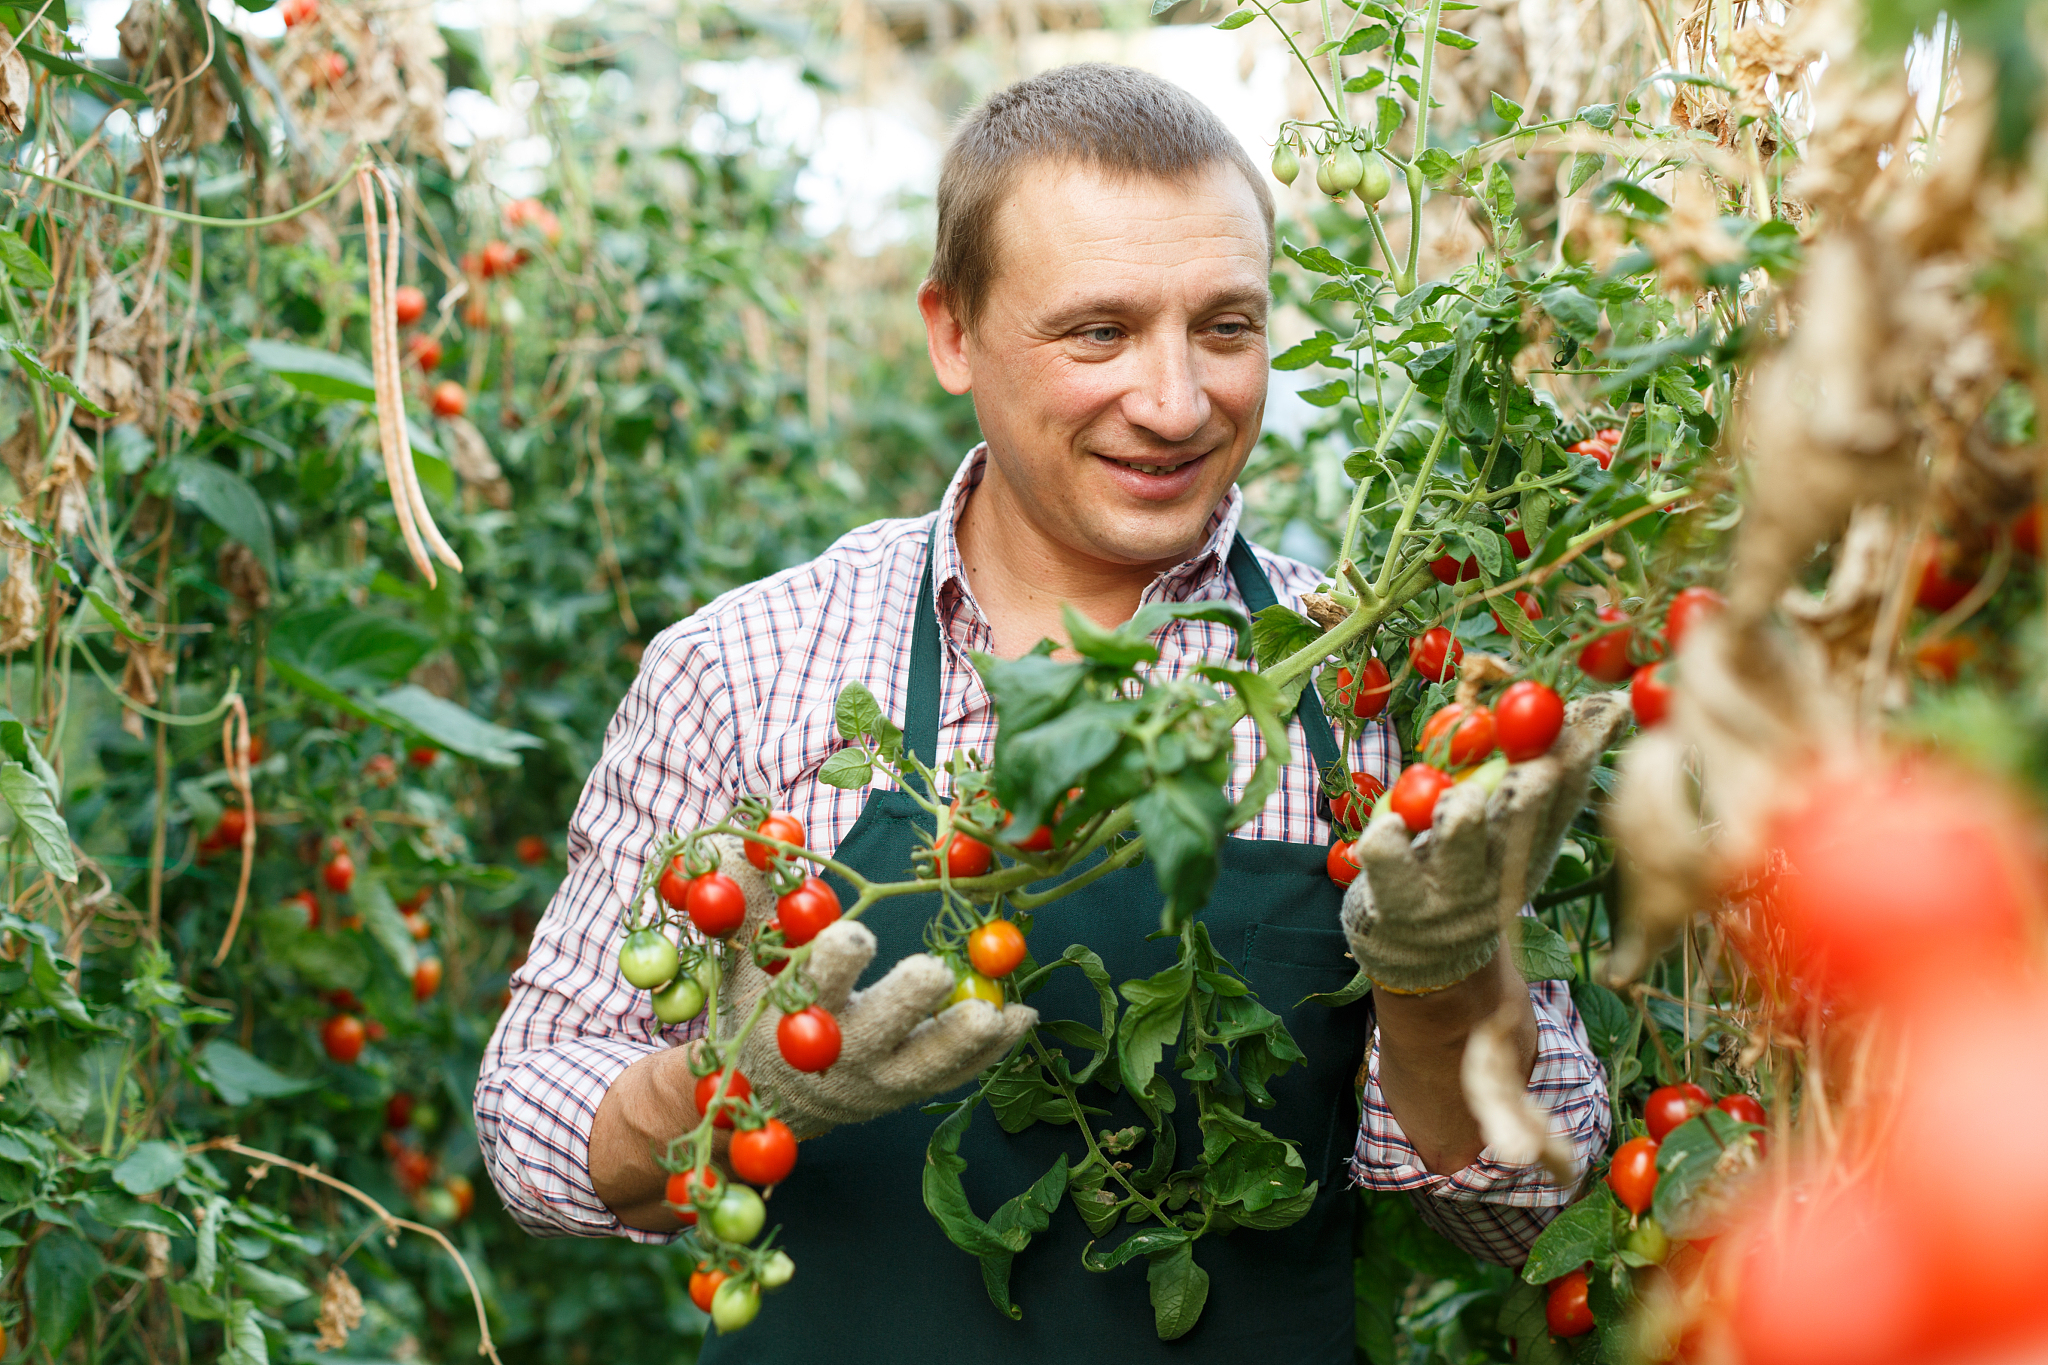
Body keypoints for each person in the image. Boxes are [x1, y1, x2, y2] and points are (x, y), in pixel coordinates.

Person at [477, 62, 1611, 1363]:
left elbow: (1527, 1213)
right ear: (952, 331)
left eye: (1226, 327)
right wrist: (724, 1086)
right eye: (1099, 333)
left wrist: (1442, 982)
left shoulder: (1373, 684)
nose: (1177, 403)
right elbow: (528, 1123)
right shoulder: (744, 667)